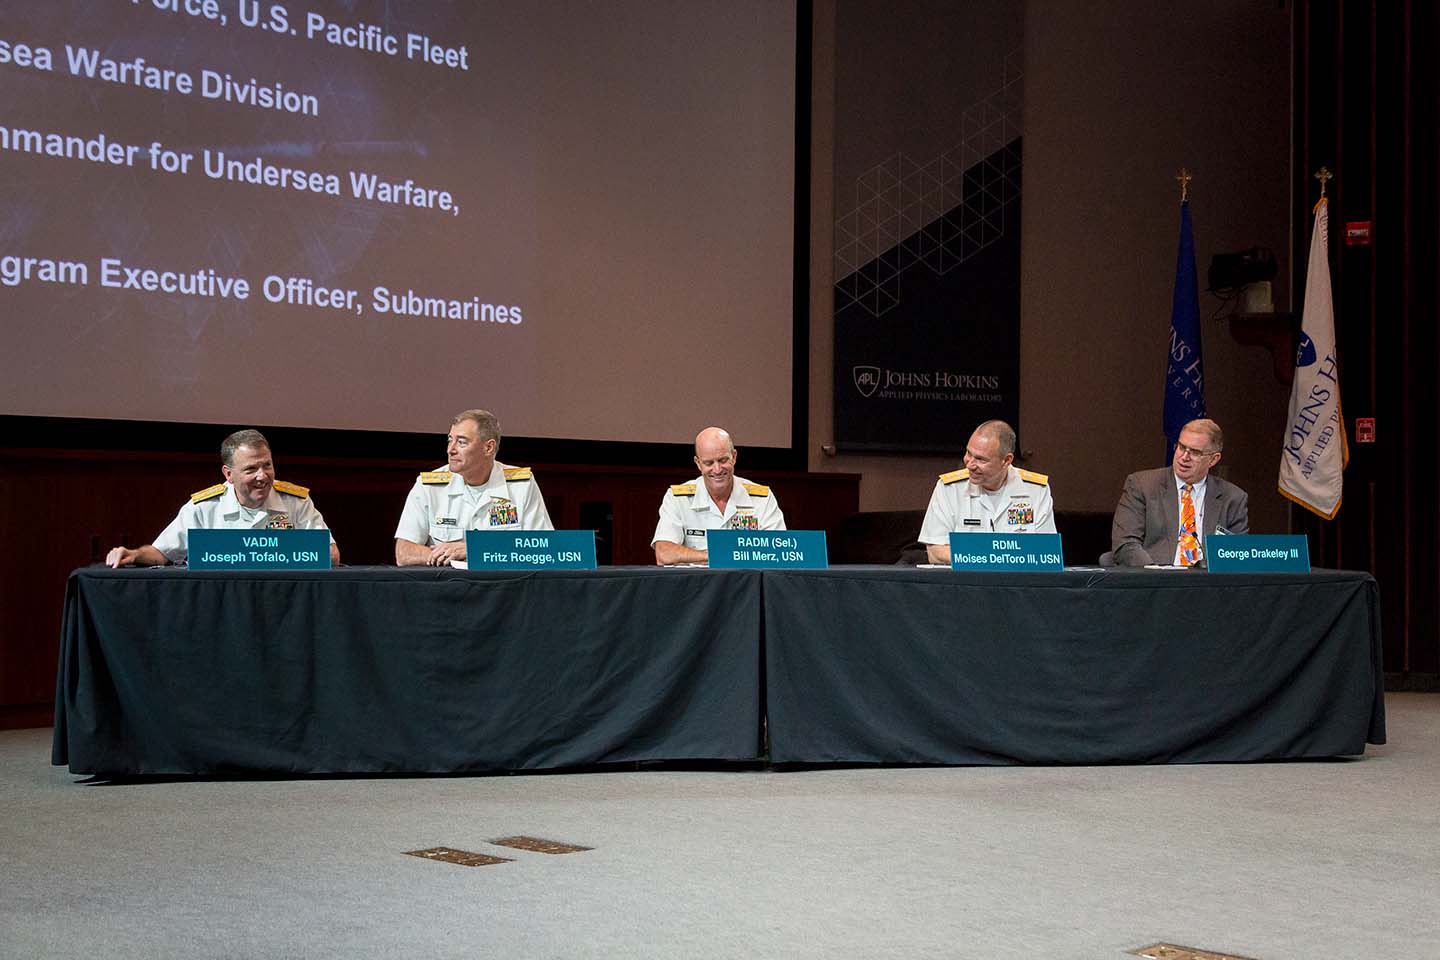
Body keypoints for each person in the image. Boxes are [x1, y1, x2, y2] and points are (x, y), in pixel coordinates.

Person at [105, 429, 339, 567]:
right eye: (251, 469)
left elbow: (331, 556)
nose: (263, 476)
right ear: (229, 474)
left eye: (267, 465)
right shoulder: (204, 507)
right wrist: (134, 554)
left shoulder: (295, 501)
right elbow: (162, 552)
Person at [394, 409, 553, 566]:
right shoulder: (429, 486)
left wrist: (476, 551)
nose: (451, 449)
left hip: (503, 586)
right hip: (447, 586)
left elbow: (544, 548)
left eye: (461, 442)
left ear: (488, 448)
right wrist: (446, 555)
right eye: (450, 440)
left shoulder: (521, 485)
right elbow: (404, 552)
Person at [1103, 417, 1249, 567]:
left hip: (1206, 585)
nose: (1184, 457)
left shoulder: (1233, 498)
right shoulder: (1142, 485)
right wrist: (1159, 576)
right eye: (1181, 447)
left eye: (1195, 452)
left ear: (1213, 459)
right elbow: (1126, 545)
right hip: (1154, 581)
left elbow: (1236, 555)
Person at [918, 420, 1055, 564]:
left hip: (1017, 582)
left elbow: (1046, 553)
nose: (970, 464)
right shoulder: (949, 488)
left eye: (980, 459)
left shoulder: (1036, 490)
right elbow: (935, 552)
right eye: (968, 453)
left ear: (1006, 460)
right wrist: (990, 558)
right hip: (967, 583)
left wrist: (984, 556)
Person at [652, 427, 786, 565]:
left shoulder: (761, 498)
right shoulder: (678, 498)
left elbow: (780, 552)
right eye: (708, 463)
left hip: (747, 583)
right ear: (698, 463)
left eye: (723, 460)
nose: (717, 470)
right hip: (698, 584)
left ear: (734, 457)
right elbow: (664, 554)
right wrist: (717, 554)